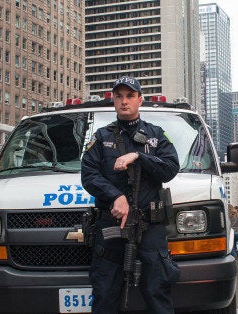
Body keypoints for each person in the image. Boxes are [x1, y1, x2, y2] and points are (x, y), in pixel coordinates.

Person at [81, 75, 180, 313]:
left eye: (130, 96)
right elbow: (88, 175)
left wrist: (139, 157)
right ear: (114, 101)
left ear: (140, 100)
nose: (124, 101)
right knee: (105, 293)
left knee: (157, 291)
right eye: (119, 96)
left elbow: (170, 168)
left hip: (150, 227)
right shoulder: (102, 137)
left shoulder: (156, 135)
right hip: (111, 225)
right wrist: (116, 196)